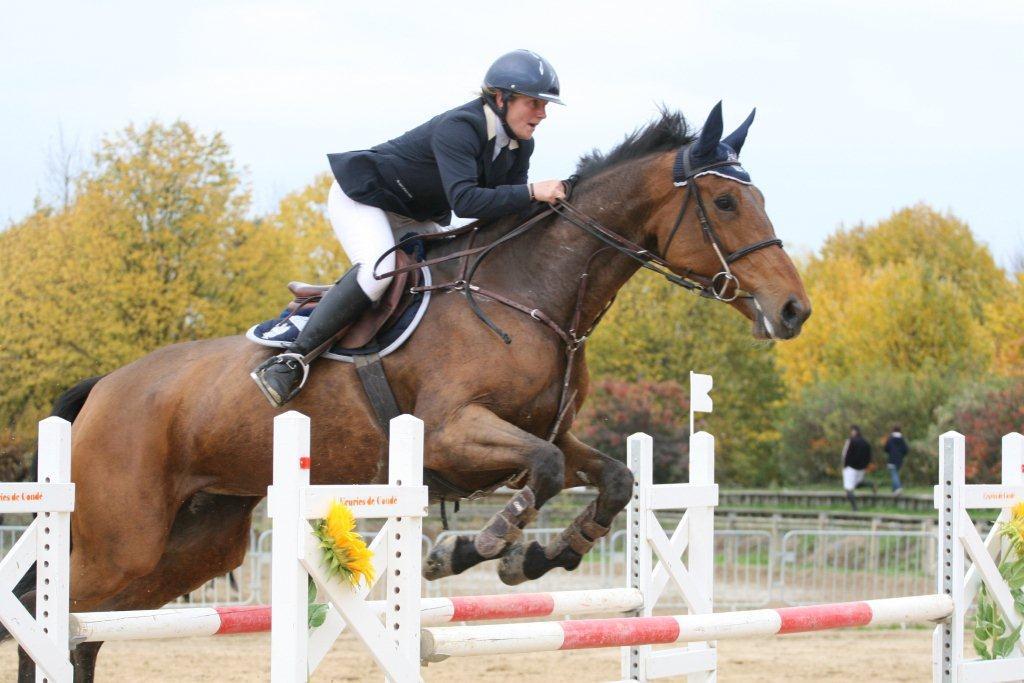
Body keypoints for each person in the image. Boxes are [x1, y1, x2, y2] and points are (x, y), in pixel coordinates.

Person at [251, 49, 568, 407]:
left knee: (451, 274)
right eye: (533, 103)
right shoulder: (461, 127)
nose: (542, 114)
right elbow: (466, 201)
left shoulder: (519, 145)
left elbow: (503, 210)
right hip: (365, 197)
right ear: (500, 98)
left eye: (545, 105)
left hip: (412, 214)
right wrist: (532, 192)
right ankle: (291, 360)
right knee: (378, 272)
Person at [841, 425, 875, 511]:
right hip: (861, 468)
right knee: (857, 484)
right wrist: (865, 465)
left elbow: (845, 454)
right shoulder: (866, 442)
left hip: (850, 467)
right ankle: (870, 484)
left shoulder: (850, 441)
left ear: (854, 431)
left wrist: (845, 464)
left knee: (848, 489)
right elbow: (869, 456)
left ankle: (854, 508)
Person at [883, 425, 909, 495]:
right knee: (896, 474)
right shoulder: (902, 439)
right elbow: (906, 450)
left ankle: (898, 488)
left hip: (892, 459)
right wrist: (901, 455)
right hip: (899, 460)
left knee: (894, 475)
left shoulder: (890, 439)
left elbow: (886, 449)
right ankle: (894, 491)